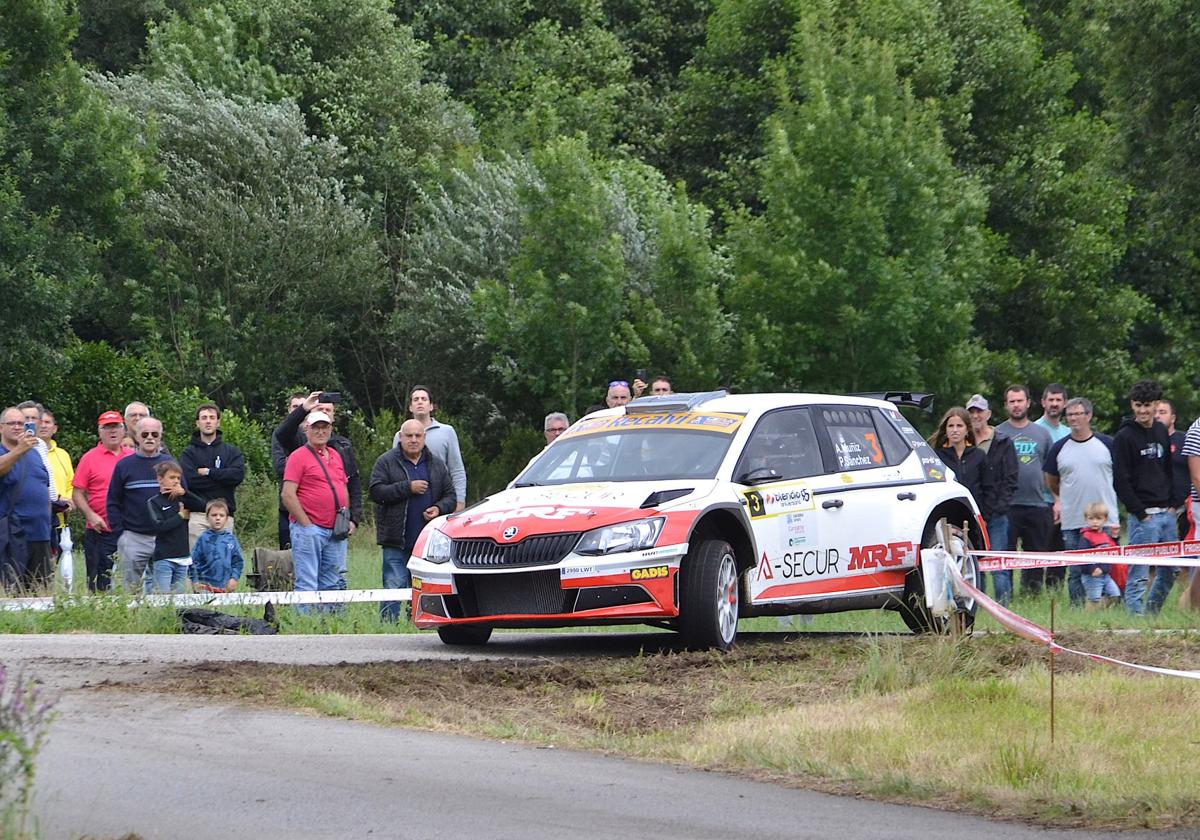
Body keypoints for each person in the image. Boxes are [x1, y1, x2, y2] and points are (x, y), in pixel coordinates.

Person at [370, 419, 456, 621]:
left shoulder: (436, 464)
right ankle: (388, 626)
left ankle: (417, 622)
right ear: (400, 437)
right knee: (394, 584)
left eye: (418, 436)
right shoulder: (386, 461)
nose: (413, 440)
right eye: (409, 436)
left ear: (424, 438)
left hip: (426, 544)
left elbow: (450, 496)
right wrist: (407, 487)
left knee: (423, 587)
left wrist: (439, 508)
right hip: (395, 540)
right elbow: (376, 491)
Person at [1113, 379, 1183, 614]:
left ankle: (1151, 613)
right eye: (1138, 405)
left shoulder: (1161, 431)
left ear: (1156, 405)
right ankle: (1134, 617)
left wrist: (1173, 504)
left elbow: (1168, 469)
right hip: (1143, 516)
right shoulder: (1124, 437)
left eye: (1147, 405)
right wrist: (1140, 513)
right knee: (1139, 571)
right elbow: (1120, 480)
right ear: (1132, 405)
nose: (1143, 411)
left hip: (1167, 513)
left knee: (1171, 570)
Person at [1043, 397, 1120, 605]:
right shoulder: (1059, 448)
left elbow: (1121, 478)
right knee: (1076, 571)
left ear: (1089, 415)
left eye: (1078, 414)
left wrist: (1115, 519)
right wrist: (1061, 497)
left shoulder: (1107, 444)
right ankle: (1077, 610)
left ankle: (1105, 610)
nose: (1074, 418)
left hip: (1105, 520)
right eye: (1070, 415)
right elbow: (1050, 479)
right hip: (1073, 520)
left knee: (1107, 568)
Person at [282, 410, 352, 610]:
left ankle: (329, 627)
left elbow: (343, 487)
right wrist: (307, 525)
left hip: (335, 529)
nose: (320, 432)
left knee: (333, 582)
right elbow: (287, 494)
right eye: (316, 427)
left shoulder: (336, 456)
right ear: (307, 429)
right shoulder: (297, 457)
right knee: (307, 583)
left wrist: (345, 517)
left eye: (325, 427)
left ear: (331, 429)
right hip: (309, 529)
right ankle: (306, 630)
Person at [275, 391, 364, 546]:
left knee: (334, 570)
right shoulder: (300, 441)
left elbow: (353, 483)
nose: (324, 413)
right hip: (305, 523)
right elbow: (281, 434)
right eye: (319, 410)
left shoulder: (343, 447)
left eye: (328, 410)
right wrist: (303, 408)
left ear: (333, 417)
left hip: (336, 525)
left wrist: (354, 518)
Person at [996, 385, 1055, 597]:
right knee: (1007, 553)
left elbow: (1051, 471)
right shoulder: (998, 433)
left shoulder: (1042, 434)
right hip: (1007, 505)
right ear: (1006, 405)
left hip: (1038, 504)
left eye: (1020, 400)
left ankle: (1032, 596)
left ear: (1028, 403)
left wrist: (1057, 500)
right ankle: (1006, 596)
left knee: (1036, 555)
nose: (1016, 405)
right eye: (1012, 401)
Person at [107, 417, 177, 592]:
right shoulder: (124, 466)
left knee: (165, 593)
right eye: (145, 434)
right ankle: (129, 621)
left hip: (165, 538)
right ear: (136, 436)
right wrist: (120, 533)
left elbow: (183, 497)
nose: (150, 438)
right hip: (133, 538)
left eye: (155, 434)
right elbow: (113, 501)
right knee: (127, 592)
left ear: (160, 436)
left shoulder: (171, 465)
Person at [965, 394, 1019, 604]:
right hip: (970, 514)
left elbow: (1011, 478)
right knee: (974, 565)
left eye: (979, 411)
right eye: (971, 412)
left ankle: (1003, 608)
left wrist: (998, 508)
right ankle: (978, 606)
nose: (976, 415)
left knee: (999, 566)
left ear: (988, 414)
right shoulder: (963, 442)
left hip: (996, 515)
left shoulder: (1003, 441)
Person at [72, 411, 132, 591]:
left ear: (124, 430)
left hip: (129, 530)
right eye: (107, 428)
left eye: (116, 427)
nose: (112, 431)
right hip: (100, 529)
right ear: (99, 431)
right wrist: (90, 515)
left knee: (130, 581)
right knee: (98, 582)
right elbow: (77, 493)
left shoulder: (132, 457)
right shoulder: (89, 458)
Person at [180, 402, 245, 549]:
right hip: (198, 515)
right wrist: (223, 479)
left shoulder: (231, 451)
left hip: (224, 515)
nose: (208, 421)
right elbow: (189, 481)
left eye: (211, 417)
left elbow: (237, 476)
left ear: (218, 422)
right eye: (204, 418)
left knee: (222, 562)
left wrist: (209, 472)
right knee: (199, 565)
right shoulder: (188, 453)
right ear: (197, 423)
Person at [390, 387, 466, 512]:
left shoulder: (446, 432)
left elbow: (456, 469)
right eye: (416, 399)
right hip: (410, 501)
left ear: (431, 406)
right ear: (410, 407)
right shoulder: (400, 436)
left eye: (424, 399)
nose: (420, 402)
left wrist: (460, 500)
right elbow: (394, 471)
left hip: (442, 499)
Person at [0, 407, 52, 591]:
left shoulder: (35, 454)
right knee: (11, 594)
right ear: (1, 428)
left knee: (42, 594)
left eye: (21, 424)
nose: (16, 427)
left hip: (41, 534)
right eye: (11, 423)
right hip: (11, 537)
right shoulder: (5, 451)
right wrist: (18, 451)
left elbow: (45, 485)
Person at [145, 461, 205, 594]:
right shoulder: (154, 502)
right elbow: (159, 526)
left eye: (178, 478)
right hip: (164, 558)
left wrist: (184, 493)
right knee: (162, 598)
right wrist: (180, 516)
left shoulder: (182, 499)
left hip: (183, 557)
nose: (176, 481)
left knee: (179, 601)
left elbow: (203, 506)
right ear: (160, 479)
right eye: (172, 478)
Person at [37, 408, 74, 571]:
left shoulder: (62, 454)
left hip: (60, 521)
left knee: (57, 567)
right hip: (38, 519)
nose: (44, 426)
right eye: (40, 422)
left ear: (55, 428)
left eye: (48, 422)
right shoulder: (27, 452)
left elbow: (71, 482)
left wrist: (67, 499)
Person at [927, 407, 988, 505]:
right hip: (946, 513)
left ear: (967, 430)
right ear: (945, 430)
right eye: (951, 426)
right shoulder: (937, 458)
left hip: (975, 514)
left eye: (959, 426)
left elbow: (988, 488)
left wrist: (985, 516)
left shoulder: (979, 455)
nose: (955, 430)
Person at [271, 392, 308, 549]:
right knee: (287, 559)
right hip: (287, 508)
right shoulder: (280, 435)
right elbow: (280, 467)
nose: (299, 410)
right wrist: (306, 466)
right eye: (295, 406)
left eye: (302, 406)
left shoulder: (320, 433)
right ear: (289, 410)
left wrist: (292, 462)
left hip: (314, 508)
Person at [189, 499, 245, 593]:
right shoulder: (203, 539)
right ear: (207, 518)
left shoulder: (231, 539)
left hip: (226, 587)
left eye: (221, 515)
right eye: (214, 515)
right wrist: (195, 581)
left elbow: (238, 562)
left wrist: (234, 578)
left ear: (227, 518)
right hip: (205, 587)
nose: (218, 518)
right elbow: (193, 562)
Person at [1156, 399, 1191, 539]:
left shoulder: (1185, 440)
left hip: (1183, 509)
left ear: (1173, 418)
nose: (1157, 416)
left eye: (1162, 412)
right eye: (1155, 412)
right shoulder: (1146, 442)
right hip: (1155, 509)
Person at [1076, 501, 1122, 610]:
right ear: (1086, 519)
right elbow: (1082, 556)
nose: (1095, 522)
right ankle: (1089, 617)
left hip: (1106, 574)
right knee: (1094, 599)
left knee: (1115, 595)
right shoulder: (1086, 537)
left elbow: (1114, 549)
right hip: (1092, 576)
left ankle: (1099, 611)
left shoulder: (1105, 535)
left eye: (1098, 518)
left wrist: (1115, 536)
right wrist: (1092, 568)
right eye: (1091, 519)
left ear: (1105, 519)